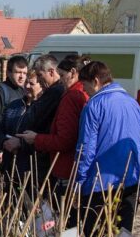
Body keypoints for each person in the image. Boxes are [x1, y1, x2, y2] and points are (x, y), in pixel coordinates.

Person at [73, 60, 140, 237]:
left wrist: (79, 181)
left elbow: (86, 148)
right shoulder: (133, 103)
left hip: (100, 184)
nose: (84, 91)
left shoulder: (93, 106)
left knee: (97, 236)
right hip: (130, 181)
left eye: (85, 85)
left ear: (96, 81)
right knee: (122, 235)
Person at [17, 55, 88, 201]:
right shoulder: (80, 92)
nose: (60, 79)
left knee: (62, 215)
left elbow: (65, 139)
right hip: (74, 166)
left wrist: (36, 139)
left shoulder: (72, 96)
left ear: (73, 73)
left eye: (61, 75)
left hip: (65, 166)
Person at [2, 55, 65, 188]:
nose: (39, 81)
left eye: (40, 75)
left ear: (51, 72)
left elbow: (39, 124)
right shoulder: (51, 92)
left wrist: (22, 142)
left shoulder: (55, 93)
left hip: (39, 158)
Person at [0, 71, 44, 188]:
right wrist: (4, 142)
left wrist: (20, 144)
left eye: (31, 84)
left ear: (41, 85)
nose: (26, 86)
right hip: (9, 164)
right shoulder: (14, 105)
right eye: (26, 82)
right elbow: (0, 131)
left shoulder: (43, 108)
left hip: (30, 167)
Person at [0, 56, 28, 189]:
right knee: (3, 185)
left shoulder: (23, 91)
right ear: (9, 73)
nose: (22, 77)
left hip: (16, 148)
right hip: (2, 147)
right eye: (18, 73)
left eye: (24, 73)